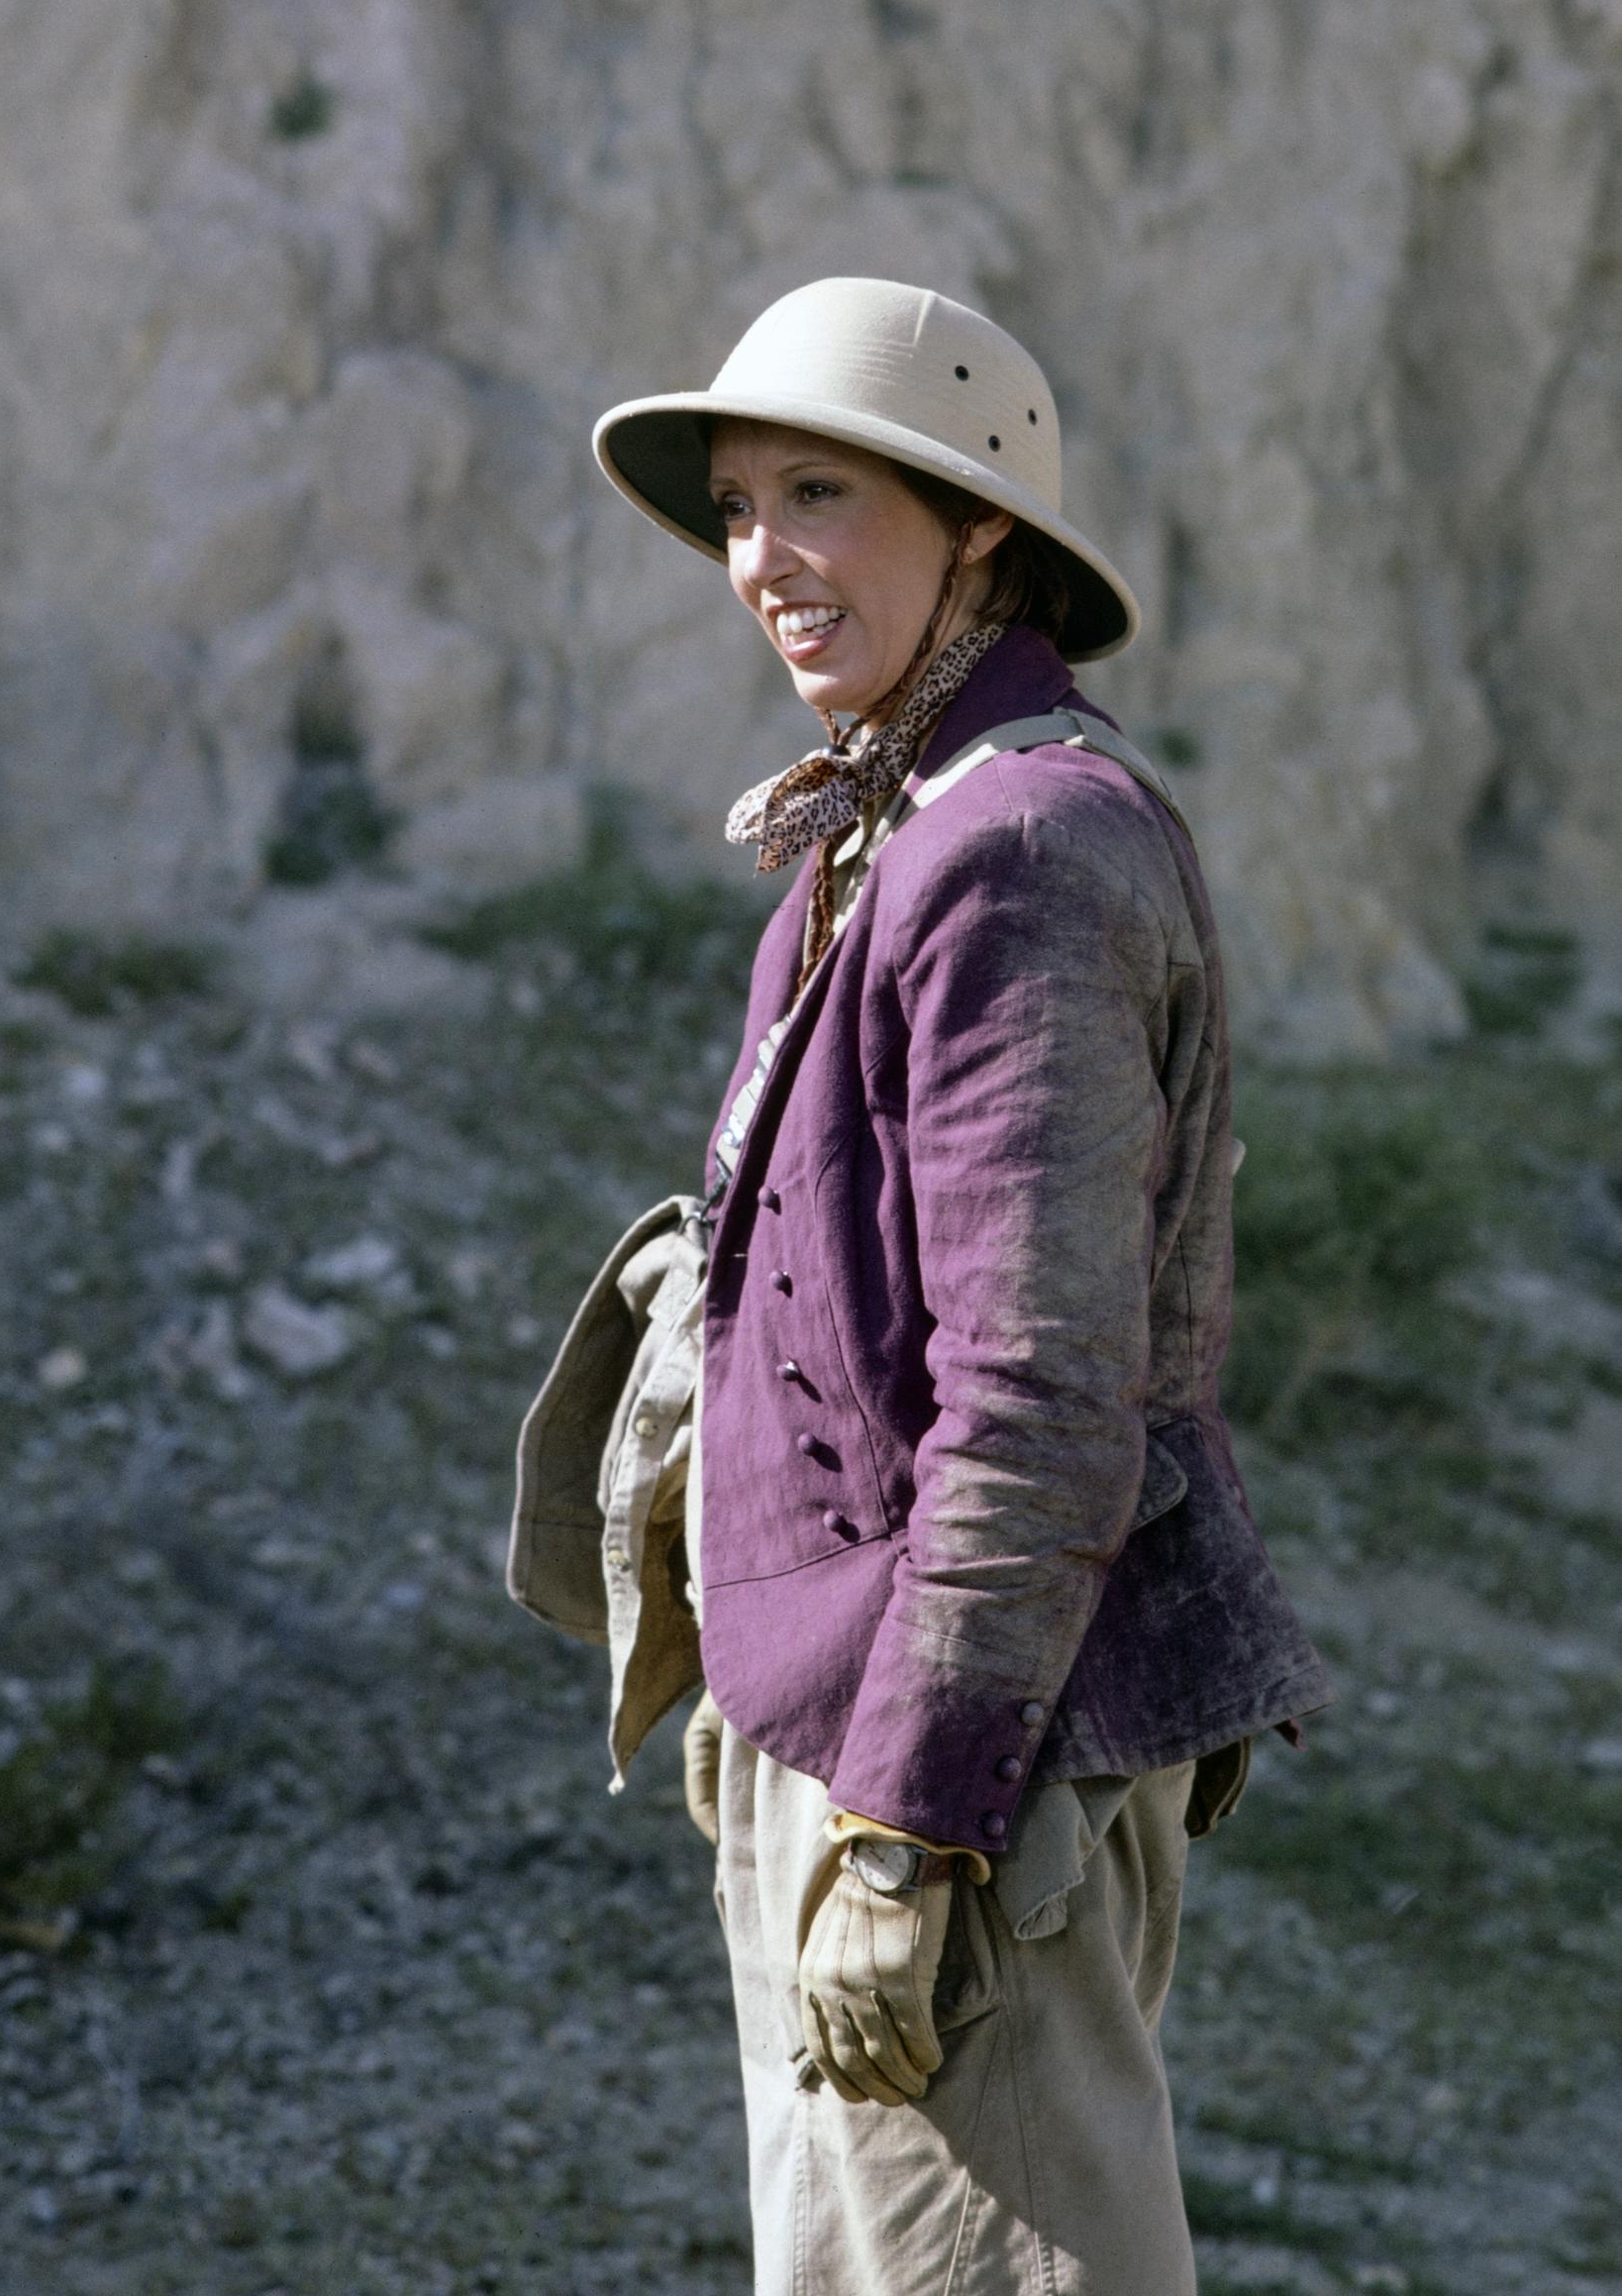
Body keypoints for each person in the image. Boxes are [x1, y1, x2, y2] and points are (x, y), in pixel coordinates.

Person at [511, 276, 1334, 2295]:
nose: (761, 561)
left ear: (979, 525)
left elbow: (1043, 1397)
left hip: (974, 1776)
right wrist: (757, 1667)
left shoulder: (1018, 850)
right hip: (870, 1722)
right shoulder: (888, 833)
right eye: (732, 509)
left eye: (818, 494)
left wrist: (901, 1826)